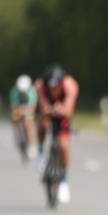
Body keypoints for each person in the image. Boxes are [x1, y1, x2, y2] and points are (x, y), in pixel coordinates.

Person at [35, 64, 79, 204]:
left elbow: (69, 110)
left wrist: (61, 109)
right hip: (47, 110)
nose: (54, 90)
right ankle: (41, 152)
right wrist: (48, 110)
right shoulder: (40, 86)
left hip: (62, 112)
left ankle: (64, 181)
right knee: (41, 123)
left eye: (56, 86)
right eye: (51, 87)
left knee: (63, 145)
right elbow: (43, 105)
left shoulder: (70, 85)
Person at [9, 75, 37, 160]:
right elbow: (14, 107)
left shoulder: (32, 92)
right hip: (19, 108)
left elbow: (32, 107)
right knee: (14, 117)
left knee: (28, 123)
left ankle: (31, 144)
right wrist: (17, 113)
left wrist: (25, 112)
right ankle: (17, 133)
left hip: (28, 109)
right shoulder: (14, 92)